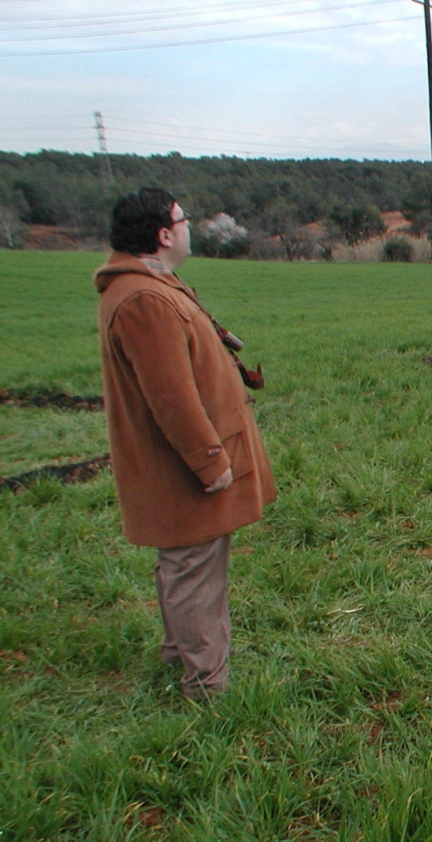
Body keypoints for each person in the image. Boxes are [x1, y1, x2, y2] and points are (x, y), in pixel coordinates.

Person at [95, 188, 275, 699]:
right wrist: (210, 460)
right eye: (184, 219)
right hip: (181, 466)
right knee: (194, 570)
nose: (189, 226)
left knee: (186, 564)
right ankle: (206, 687)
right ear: (164, 233)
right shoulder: (145, 300)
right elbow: (170, 397)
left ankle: (179, 654)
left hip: (181, 462)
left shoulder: (149, 284)